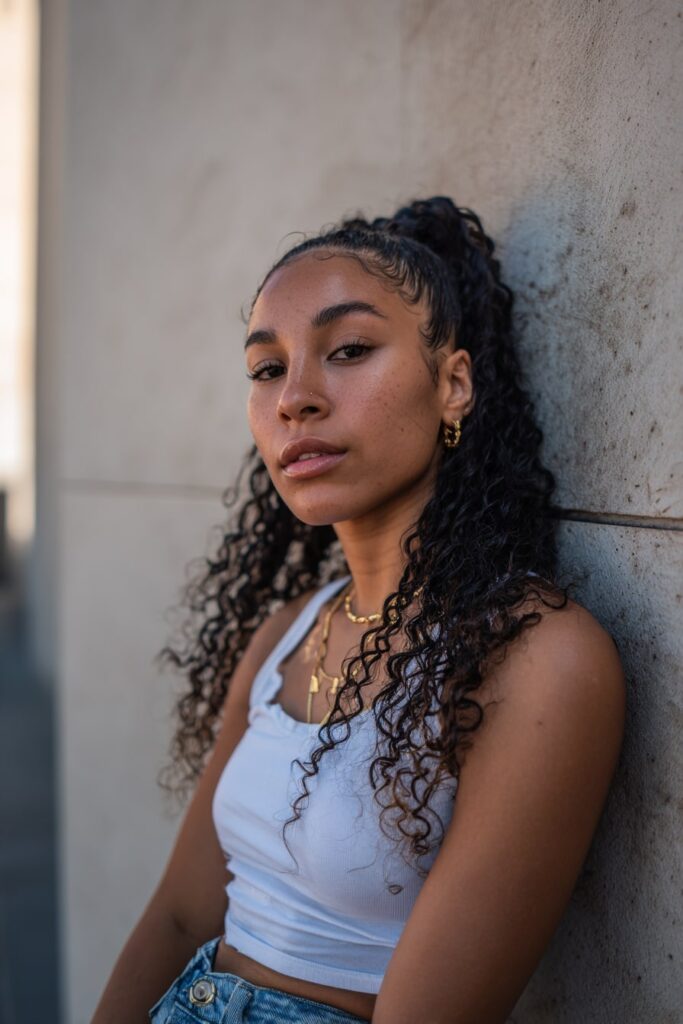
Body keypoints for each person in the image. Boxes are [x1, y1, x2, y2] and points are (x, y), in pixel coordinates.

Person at [91, 196, 626, 1024]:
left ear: (452, 384)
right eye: (266, 368)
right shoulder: (287, 634)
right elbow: (180, 918)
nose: (294, 398)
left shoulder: (534, 657)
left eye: (347, 350)